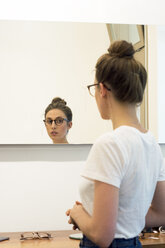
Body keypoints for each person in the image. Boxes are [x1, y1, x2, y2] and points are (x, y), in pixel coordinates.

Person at [66, 40, 165, 248]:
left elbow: (103, 236)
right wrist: (105, 215)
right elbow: (160, 214)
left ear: (102, 89)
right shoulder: (152, 144)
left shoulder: (110, 144)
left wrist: (78, 214)